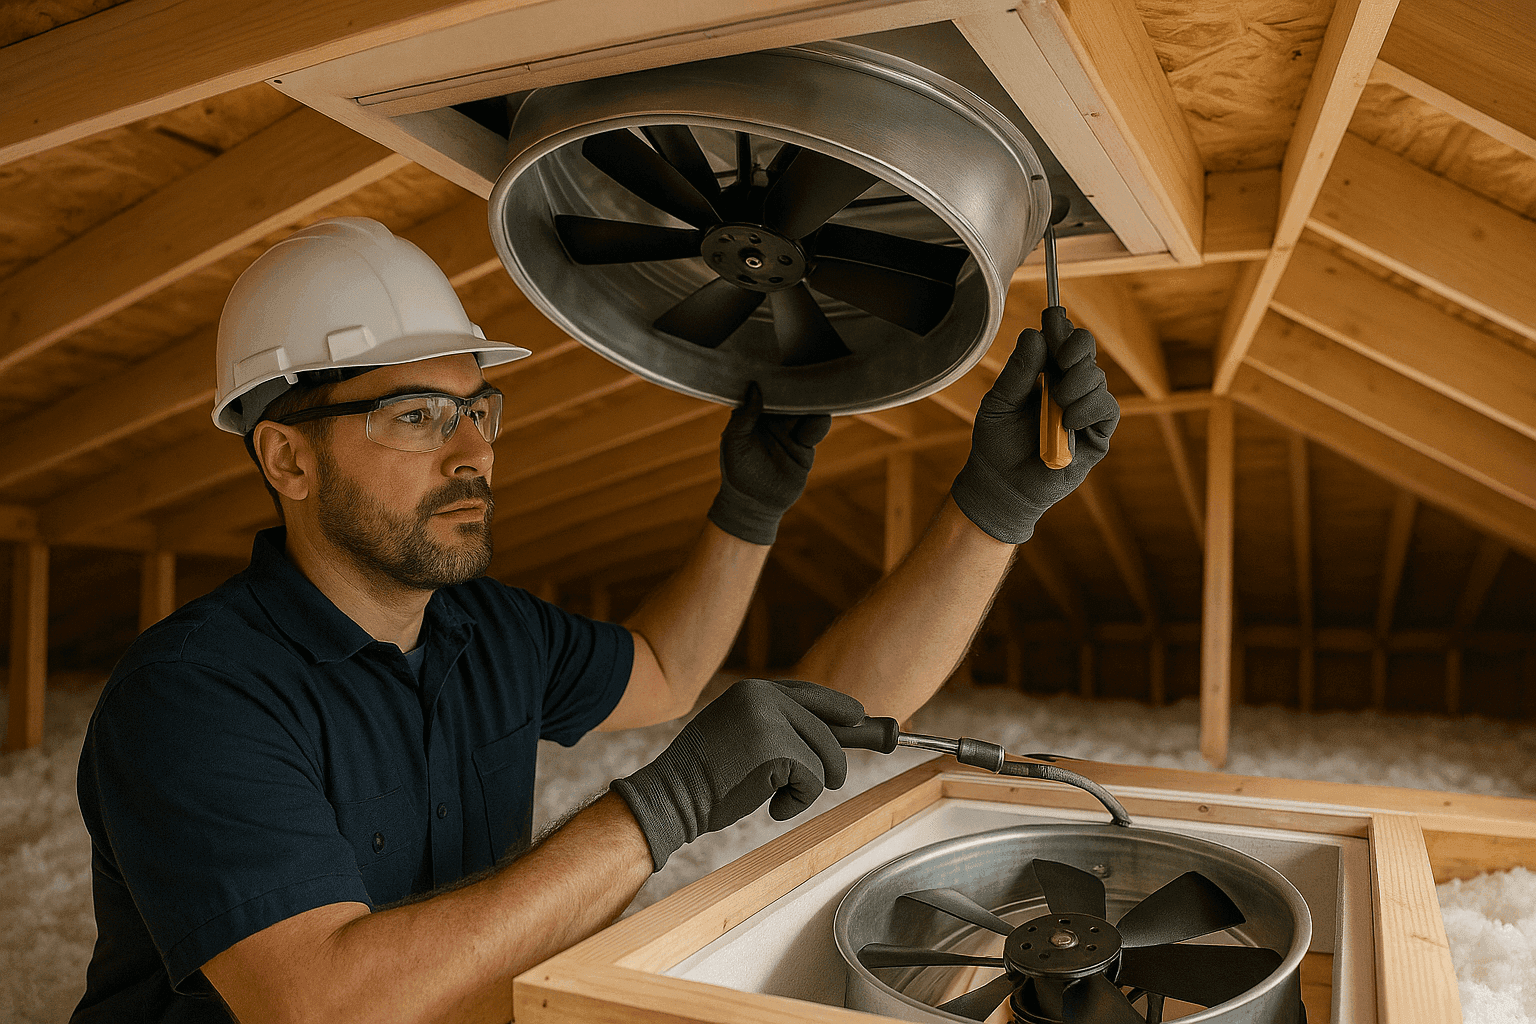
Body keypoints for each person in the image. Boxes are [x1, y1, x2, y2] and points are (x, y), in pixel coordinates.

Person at [73, 217, 1118, 1023]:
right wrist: (657, 809)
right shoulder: (194, 695)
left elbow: (679, 670)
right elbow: (327, 1005)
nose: (472, 450)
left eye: (478, 409)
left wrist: (989, 507)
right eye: (414, 415)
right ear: (288, 459)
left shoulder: (485, 632)